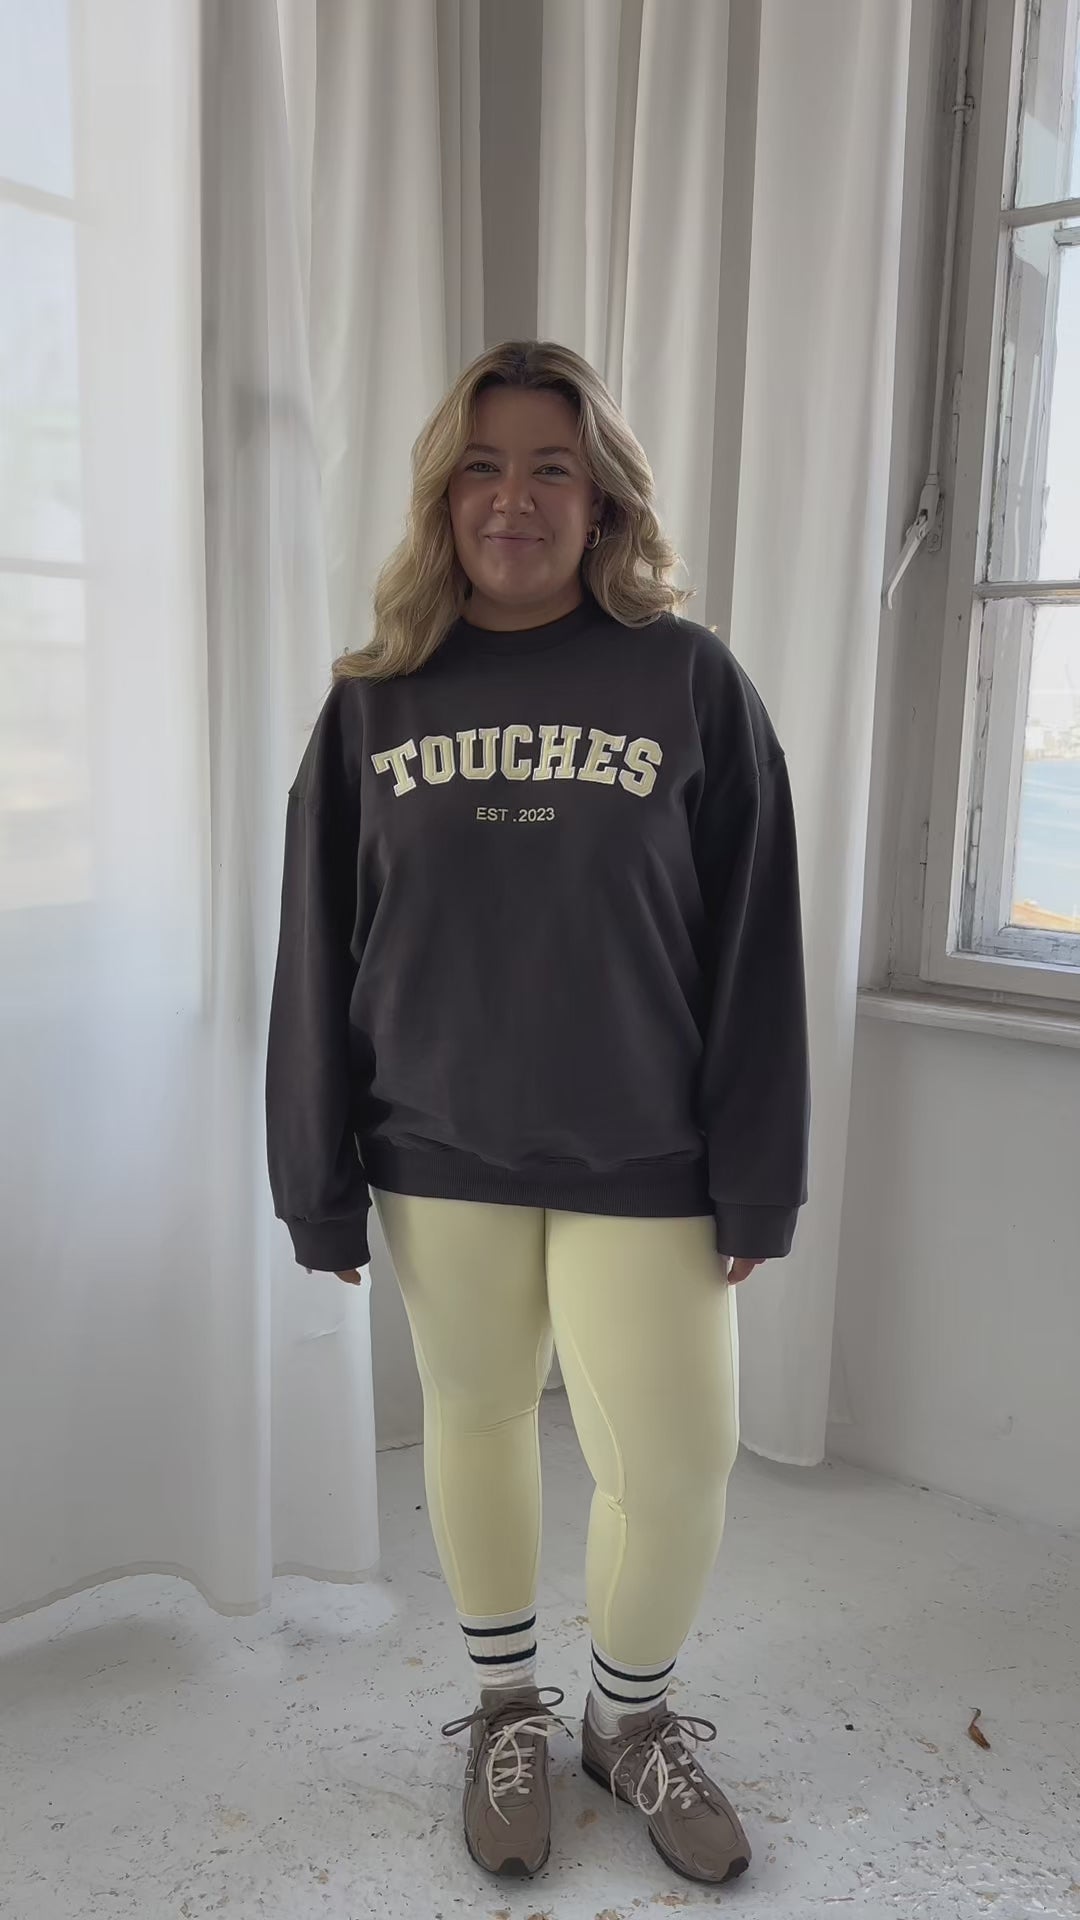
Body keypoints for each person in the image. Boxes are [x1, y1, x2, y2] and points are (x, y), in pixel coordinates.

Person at [265, 339, 810, 1886]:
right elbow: (315, 952)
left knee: (679, 1458)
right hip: (438, 1147)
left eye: (551, 467)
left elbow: (755, 945)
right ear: (445, 499)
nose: (514, 497)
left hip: (651, 1151)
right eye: (484, 467)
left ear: (604, 500)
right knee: (482, 1419)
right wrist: (316, 1179)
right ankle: (508, 1708)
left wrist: (758, 1175)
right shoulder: (373, 702)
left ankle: (628, 1721)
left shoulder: (690, 681)